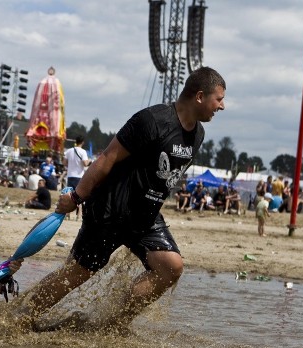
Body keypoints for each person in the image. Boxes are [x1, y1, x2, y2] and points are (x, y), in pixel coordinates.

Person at [17, 66, 226, 330]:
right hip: (110, 209)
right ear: (199, 96)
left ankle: (111, 324)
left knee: (171, 267)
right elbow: (107, 157)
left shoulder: (198, 135)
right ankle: (20, 315)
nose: (222, 106)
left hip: (145, 216)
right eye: (218, 99)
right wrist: (77, 196)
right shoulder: (152, 120)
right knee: (78, 273)